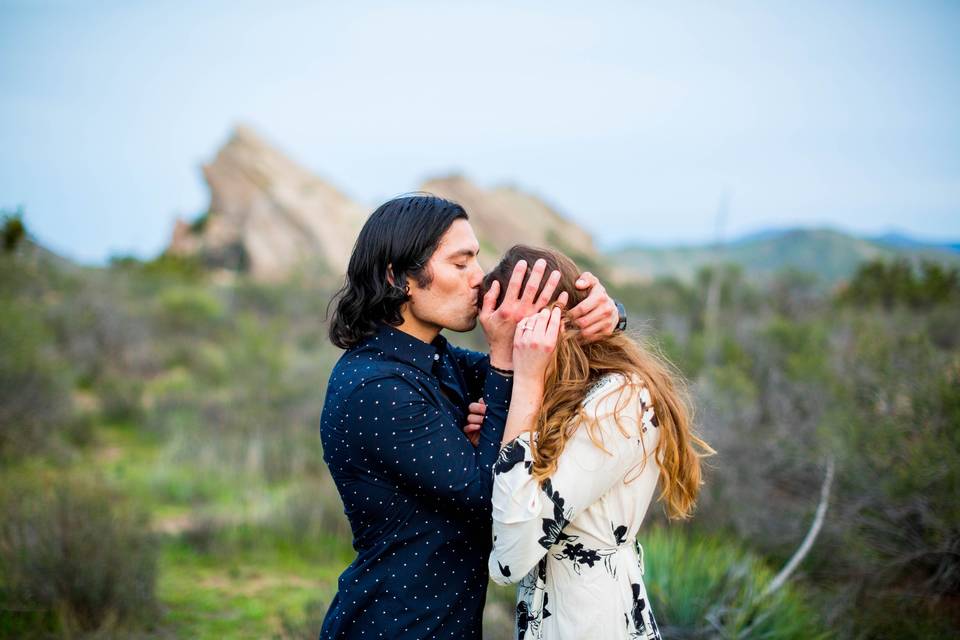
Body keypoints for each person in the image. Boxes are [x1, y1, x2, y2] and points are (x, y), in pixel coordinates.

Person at [319, 195, 622, 639]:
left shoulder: (436, 360)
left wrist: (601, 315)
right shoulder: (375, 388)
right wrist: (501, 360)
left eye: (476, 261)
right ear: (398, 277)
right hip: (393, 626)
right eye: (460, 265)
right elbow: (490, 497)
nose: (478, 279)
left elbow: (549, 375)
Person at [485, 245, 713, 640]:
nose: (503, 353)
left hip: (588, 621)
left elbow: (511, 556)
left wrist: (525, 381)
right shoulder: (559, 399)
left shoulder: (618, 401)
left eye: (511, 335)